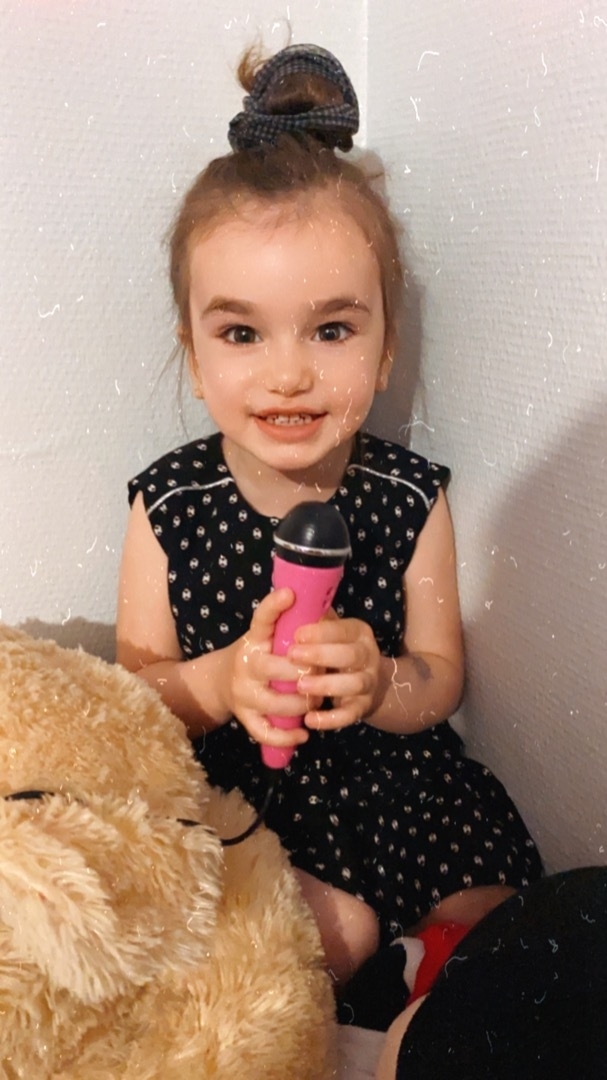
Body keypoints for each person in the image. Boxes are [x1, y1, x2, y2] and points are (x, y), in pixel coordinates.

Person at [116, 43, 542, 987]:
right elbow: (136, 693)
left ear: (384, 348)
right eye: (241, 332)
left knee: (498, 917)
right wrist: (220, 682)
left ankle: (424, 983)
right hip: (251, 795)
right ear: (194, 356)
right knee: (306, 933)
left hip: (398, 785)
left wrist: (380, 681)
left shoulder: (407, 495)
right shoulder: (168, 504)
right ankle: (362, 976)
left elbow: (438, 678)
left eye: (332, 329)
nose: (288, 373)